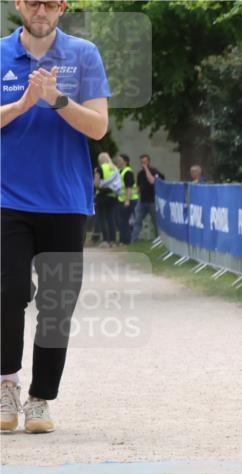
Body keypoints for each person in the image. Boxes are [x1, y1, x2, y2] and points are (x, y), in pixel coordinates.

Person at [1, 0, 110, 433]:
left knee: (57, 304)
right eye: (33, 1)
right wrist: (25, 103)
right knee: (7, 293)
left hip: (66, 202)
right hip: (8, 200)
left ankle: (40, 399)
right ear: (19, 5)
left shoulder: (84, 55)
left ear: (62, 8)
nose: (40, 10)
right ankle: (6, 383)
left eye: (49, 2)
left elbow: (99, 127)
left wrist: (58, 99)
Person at [132, 153, 163, 240]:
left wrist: (146, 169)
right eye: (142, 162)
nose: (143, 164)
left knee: (155, 222)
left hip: (152, 201)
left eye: (145, 162)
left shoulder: (154, 171)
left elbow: (152, 181)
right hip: (142, 201)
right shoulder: (139, 174)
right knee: (137, 221)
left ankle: (159, 239)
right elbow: (138, 187)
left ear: (149, 162)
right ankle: (133, 240)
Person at [93, 151, 120, 247]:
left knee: (103, 218)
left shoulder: (100, 169)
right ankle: (113, 240)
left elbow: (96, 184)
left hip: (102, 196)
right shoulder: (114, 169)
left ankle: (106, 240)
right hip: (112, 196)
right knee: (111, 218)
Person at [114, 153, 137, 244]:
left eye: (120, 160)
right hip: (122, 199)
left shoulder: (128, 172)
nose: (118, 161)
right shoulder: (120, 171)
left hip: (129, 200)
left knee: (124, 221)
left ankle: (126, 240)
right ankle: (123, 239)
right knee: (121, 221)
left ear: (125, 161)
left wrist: (127, 200)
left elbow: (129, 187)